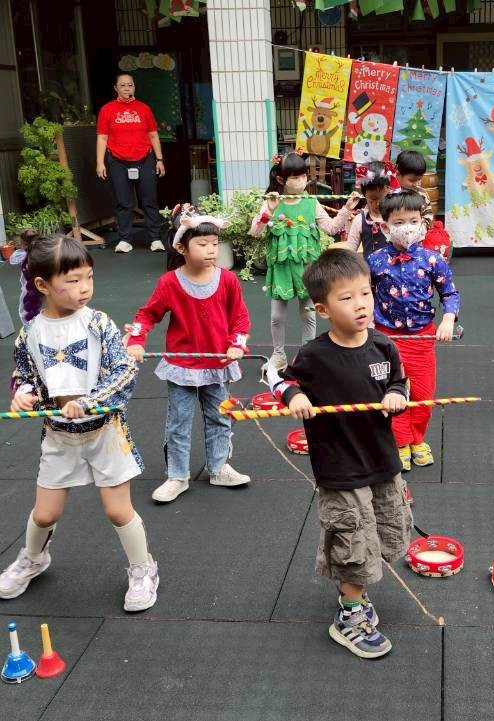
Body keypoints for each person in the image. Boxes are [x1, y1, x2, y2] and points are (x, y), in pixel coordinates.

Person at [0, 233, 158, 612]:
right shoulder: (30, 332)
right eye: (73, 280)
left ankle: (143, 568)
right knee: (44, 513)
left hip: (105, 433)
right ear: (42, 285)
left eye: (89, 277)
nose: (85, 288)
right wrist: (23, 392)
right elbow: (24, 373)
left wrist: (89, 401)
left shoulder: (98, 323)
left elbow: (124, 372)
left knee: (118, 510)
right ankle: (34, 559)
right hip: (59, 436)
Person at [263, 248, 411, 659]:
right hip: (340, 467)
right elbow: (280, 381)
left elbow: (400, 382)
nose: (360, 304)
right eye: (347, 298)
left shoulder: (383, 346)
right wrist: (294, 396)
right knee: (351, 539)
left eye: (365, 293)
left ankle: (357, 597)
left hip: (382, 461)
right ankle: (349, 615)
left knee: (383, 529)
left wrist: (397, 394)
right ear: (323, 309)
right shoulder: (315, 355)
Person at [126, 211, 252, 503]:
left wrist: (237, 345)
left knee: (220, 418)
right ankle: (177, 476)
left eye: (215, 244)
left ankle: (219, 468)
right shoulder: (169, 283)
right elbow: (147, 315)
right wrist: (135, 340)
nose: (211, 250)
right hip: (181, 365)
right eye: (203, 244)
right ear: (182, 248)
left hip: (217, 364)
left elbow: (240, 319)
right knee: (179, 422)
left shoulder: (228, 280)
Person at [366, 191, 459, 474]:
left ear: (422, 223)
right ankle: (400, 442)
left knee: (422, 393)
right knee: (393, 393)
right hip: (386, 339)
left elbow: (449, 292)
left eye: (413, 221)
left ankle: (417, 439)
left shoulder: (433, 260)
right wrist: (367, 322)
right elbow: (363, 294)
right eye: (399, 222)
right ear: (385, 226)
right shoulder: (374, 260)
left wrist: (448, 319)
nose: (407, 227)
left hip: (422, 338)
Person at [249, 152, 359, 368]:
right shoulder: (272, 202)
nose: (301, 181)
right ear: (281, 179)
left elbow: (331, 228)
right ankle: (278, 355)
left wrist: (347, 209)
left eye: (303, 176)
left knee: (308, 315)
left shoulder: (311, 202)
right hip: (281, 268)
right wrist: (268, 211)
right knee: (277, 317)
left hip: (307, 269)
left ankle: (307, 355)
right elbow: (255, 231)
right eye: (295, 177)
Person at [96, 71, 166, 254]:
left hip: (145, 158)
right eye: (123, 85)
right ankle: (125, 240)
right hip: (117, 160)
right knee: (123, 202)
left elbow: (153, 135)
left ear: (134, 87)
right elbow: (102, 137)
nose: (127, 88)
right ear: (116, 88)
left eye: (130, 85)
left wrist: (159, 159)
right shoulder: (107, 110)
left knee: (149, 200)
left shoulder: (144, 109)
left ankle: (155, 238)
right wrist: (100, 162)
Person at [340, 161, 396, 258]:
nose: (378, 204)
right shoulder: (360, 220)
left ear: (389, 191)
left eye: (382, 198)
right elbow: (350, 252)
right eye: (372, 199)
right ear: (364, 195)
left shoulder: (397, 216)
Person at [393, 150, 434, 225]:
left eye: (419, 179)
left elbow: (428, 215)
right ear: (397, 174)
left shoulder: (422, 194)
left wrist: (423, 226)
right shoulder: (389, 193)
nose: (416, 184)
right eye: (412, 180)